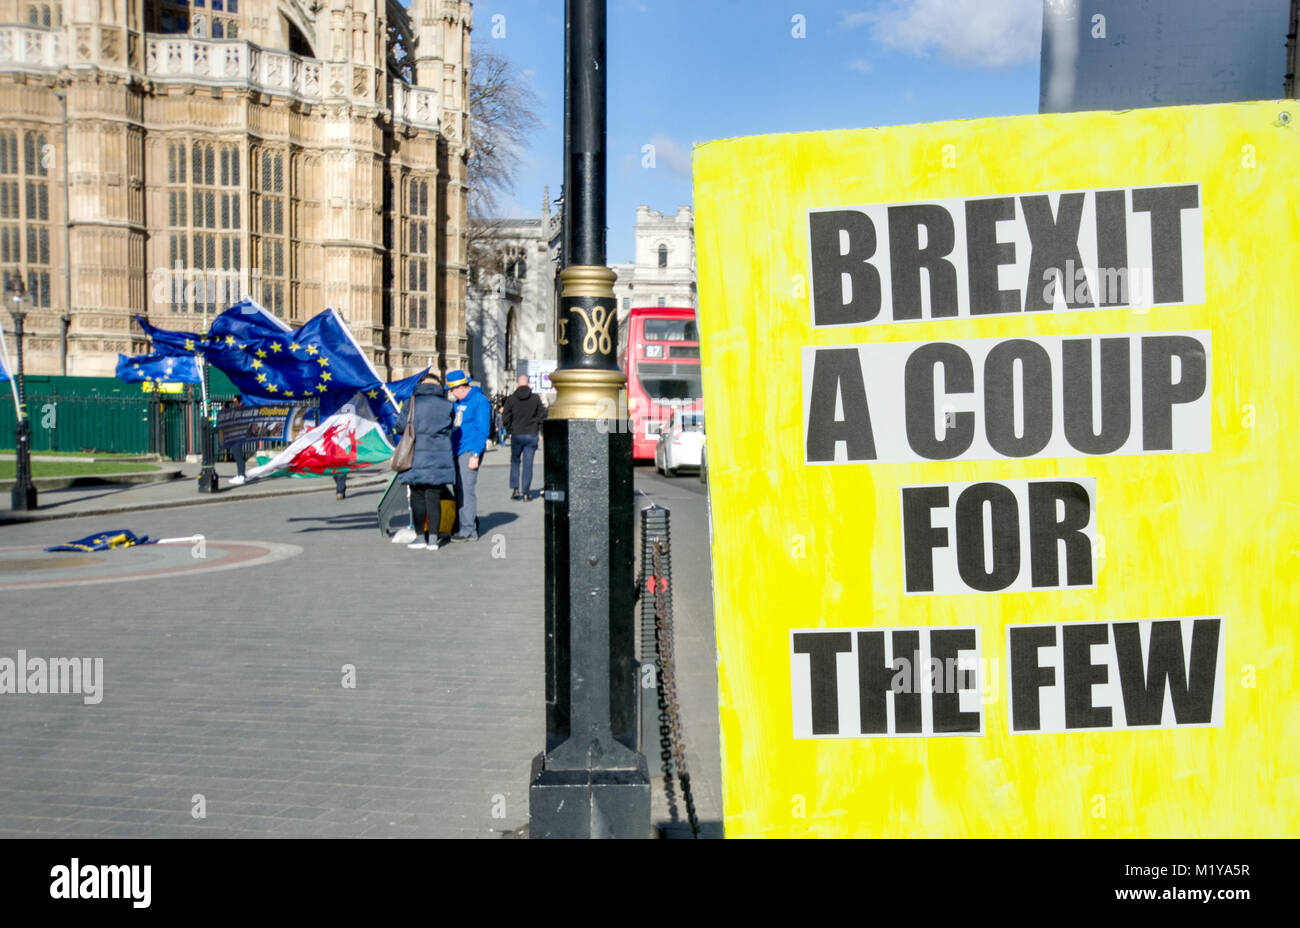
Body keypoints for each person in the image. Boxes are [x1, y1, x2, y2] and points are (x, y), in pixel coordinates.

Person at [395, 372, 457, 550]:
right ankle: (433, 540)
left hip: (415, 456)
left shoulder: (412, 402)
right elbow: (451, 427)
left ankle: (421, 537)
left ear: (421, 384)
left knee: (417, 497)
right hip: (439, 456)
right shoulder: (447, 405)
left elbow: (400, 427)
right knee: (434, 496)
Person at [446, 369, 491, 541]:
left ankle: (469, 531)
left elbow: (483, 430)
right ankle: (465, 522)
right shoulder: (458, 403)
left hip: (469, 450)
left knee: (466, 490)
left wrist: (476, 454)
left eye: (452, 389)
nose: (451, 393)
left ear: (460, 387)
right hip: (457, 449)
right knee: (459, 489)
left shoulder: (479, 401)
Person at [503, 374, 546, 501]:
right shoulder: (535, 398)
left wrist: (509, 430)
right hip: (531, 434)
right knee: (528, 464)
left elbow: (506, 417)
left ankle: (515, 489)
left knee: (515, 461)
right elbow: (541, 416)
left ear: (517, 384)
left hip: (516, 434)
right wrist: (540, 431)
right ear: (528, 384)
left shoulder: (511, 399)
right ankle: (526, 492)